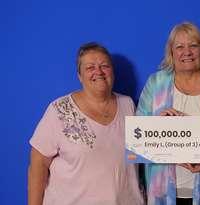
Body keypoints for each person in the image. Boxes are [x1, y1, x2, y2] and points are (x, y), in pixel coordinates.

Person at [136, 22, 200, 205]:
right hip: (162, 191)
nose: (187, 52)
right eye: (180, 46)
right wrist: (155, 123)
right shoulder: (156, 83)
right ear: (171, 52)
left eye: (193, 45)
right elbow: (136, 137)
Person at [28, 42, 144, 205]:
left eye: (104, 66)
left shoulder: (128, 104)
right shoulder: (60, 110)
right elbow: (38, 164)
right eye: (90, 67)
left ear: (113, 72)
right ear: (79, 76)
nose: (99, 72)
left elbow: (138, 153)